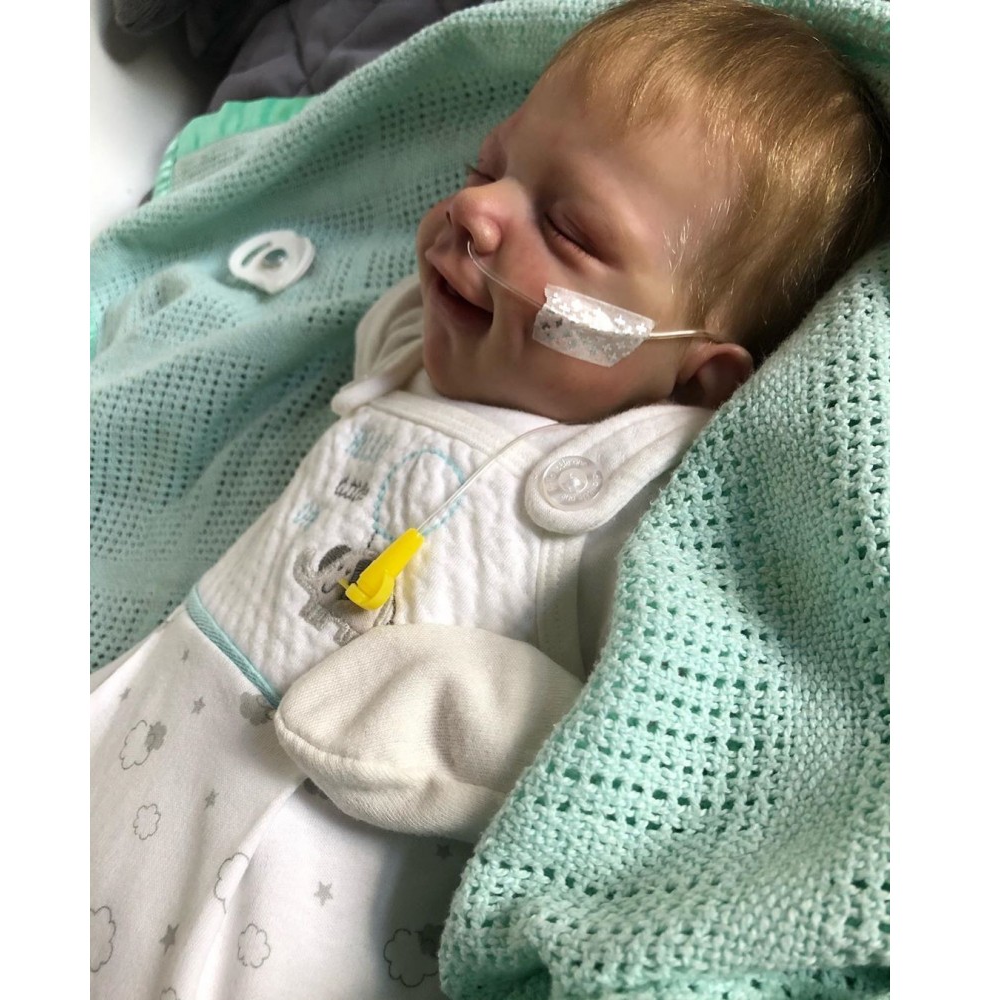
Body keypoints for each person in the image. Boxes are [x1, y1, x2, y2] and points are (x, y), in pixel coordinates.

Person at [89, 2, 888, 997]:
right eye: (487, 167)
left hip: (304, 915)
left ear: (701, 376)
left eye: (568, 228)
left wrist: (474, 706)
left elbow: (631, 754)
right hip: (139, 746)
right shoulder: (400, 356)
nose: (475, 211)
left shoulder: (635, 501)